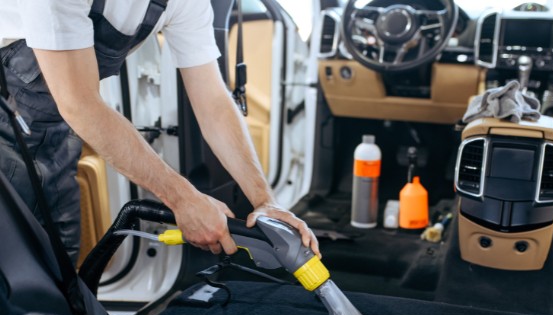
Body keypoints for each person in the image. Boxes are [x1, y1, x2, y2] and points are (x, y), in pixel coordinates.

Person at [0, 0, 319, 265]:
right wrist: (183, 198)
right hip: (10, 109)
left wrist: (265, 201)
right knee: (15, 256)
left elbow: (213, 102)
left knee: (58, 254)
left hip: (52, 121)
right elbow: (81, 104)